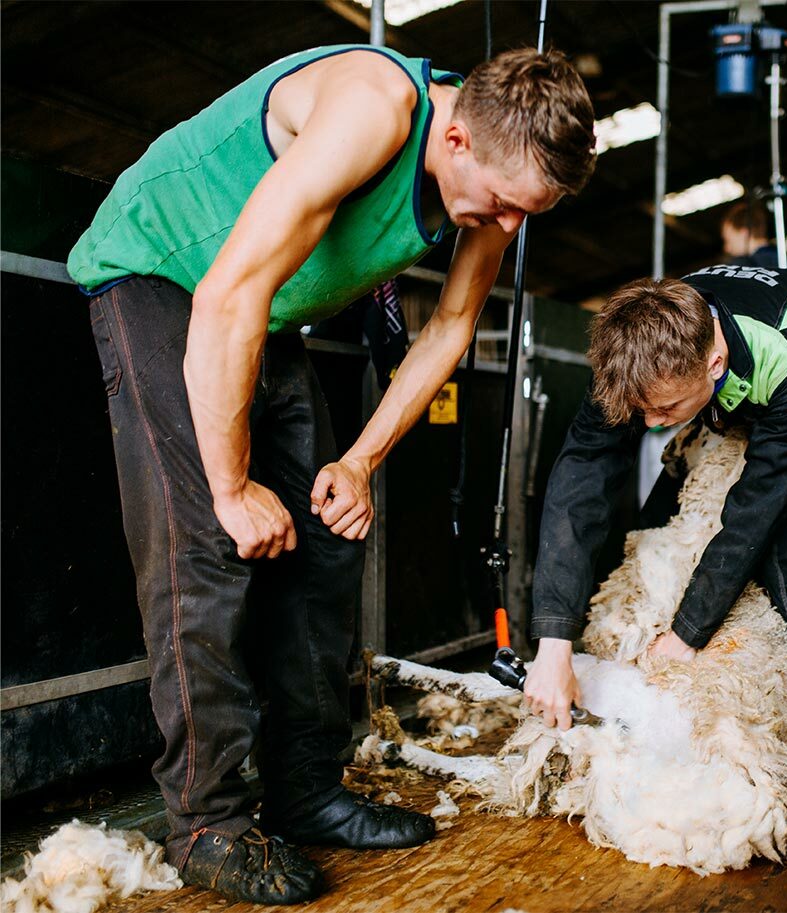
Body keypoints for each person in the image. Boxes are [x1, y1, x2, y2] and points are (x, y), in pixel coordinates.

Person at [66, 45, 594, 905]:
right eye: (501, 205)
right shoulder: (372, 109)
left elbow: (451, 327)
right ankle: (209, 824)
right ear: (456, 138)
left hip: (261, 309)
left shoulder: (494, 192)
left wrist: (359, 461)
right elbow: (224, 297)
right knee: (203, 544)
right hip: (164, 275)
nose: (504, 227)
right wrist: (232, 489)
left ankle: (307, 788)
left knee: (325, 534)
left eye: (524, 214)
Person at [523, 265, 787, 800]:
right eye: (641, 409)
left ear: (713, 362)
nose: (651, 424)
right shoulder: (637, 348)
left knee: (779, 538)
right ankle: (636, 688)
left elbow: (754, 511)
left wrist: (686, 635)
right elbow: (582, 477)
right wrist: (553, 641)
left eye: (666, 409)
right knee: (671, 506)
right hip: (734, 370)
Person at [720, 201, 781, 269]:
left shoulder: (742, 266)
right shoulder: (781, 258)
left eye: (727, 241)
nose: (726, 248)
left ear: (744, 233)